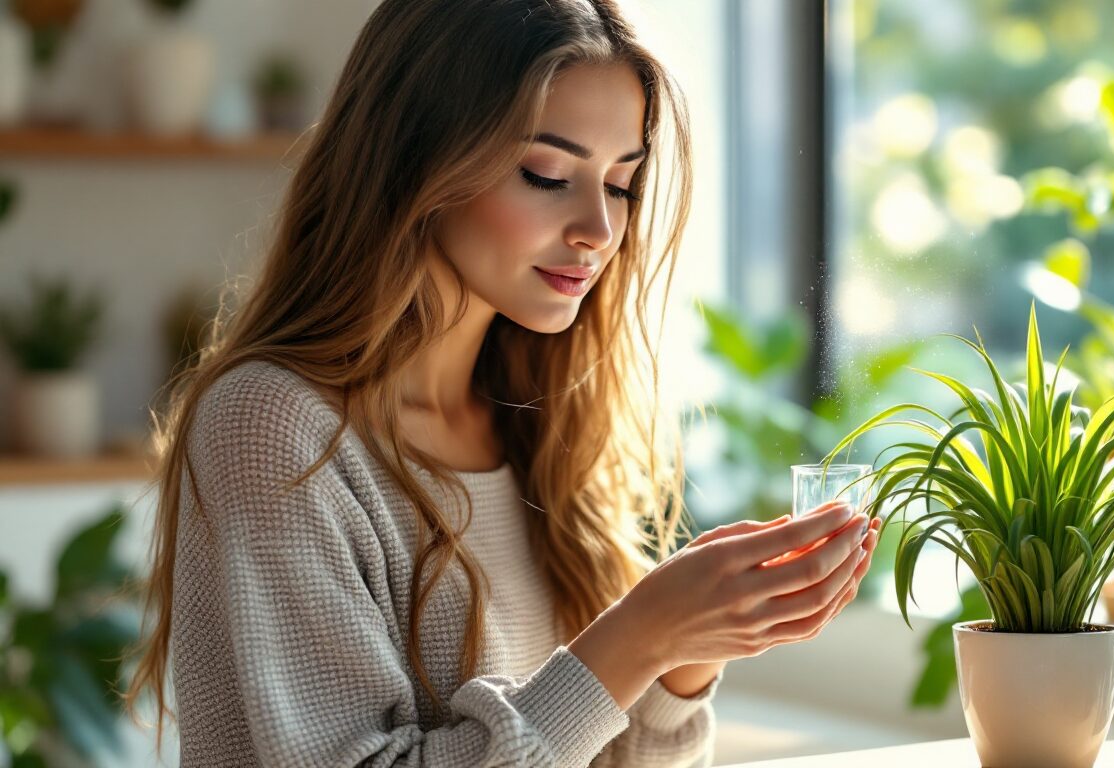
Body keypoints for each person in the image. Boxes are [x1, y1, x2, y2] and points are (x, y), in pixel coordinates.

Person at [125, 1, 881, 765]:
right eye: (547, 174)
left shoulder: (541, 424)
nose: (600, 229)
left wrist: (683, 656)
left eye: (621, 184)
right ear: (414, 155)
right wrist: (640, 633)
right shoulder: (272, 428)